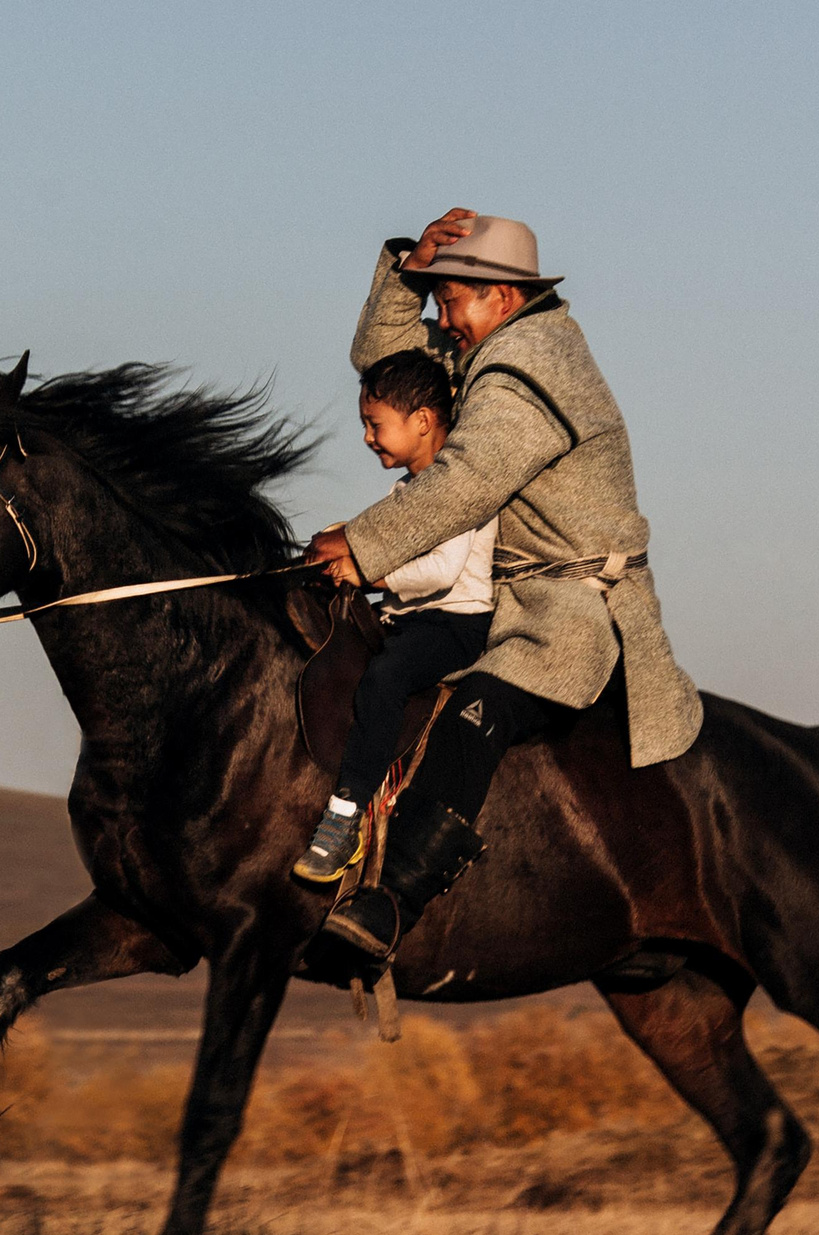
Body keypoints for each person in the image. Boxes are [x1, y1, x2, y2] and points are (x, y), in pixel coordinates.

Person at [302, 209, 703, 978]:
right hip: (498, 600)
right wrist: (408, 266)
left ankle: (390, 909)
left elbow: (466, 481)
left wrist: (362, 546)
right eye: (438, 301)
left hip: (569, 609)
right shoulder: (489, 348)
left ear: (503, 298)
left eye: (449, 300)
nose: (440, 318)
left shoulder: (528, 369)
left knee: (472, 720)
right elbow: (382, 362)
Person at [291, 351, 496, 883]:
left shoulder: (465, 487)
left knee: (387, 677)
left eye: (374, 424)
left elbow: (441, 571)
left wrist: (369, 575)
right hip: (404, 617)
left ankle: (347, 815)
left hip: (454, 624)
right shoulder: (404, 490)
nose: (366, 436)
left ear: (423, 421)